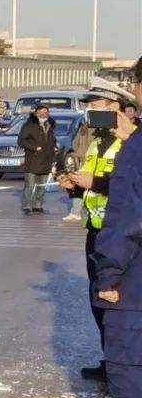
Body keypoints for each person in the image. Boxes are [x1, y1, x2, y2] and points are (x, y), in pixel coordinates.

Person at [57, 81, 136, 381]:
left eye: (96, 105)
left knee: (118, 303)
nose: (90, 110)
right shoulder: (97, 140)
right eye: (89, 105)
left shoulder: (131, 142)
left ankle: (122, 367)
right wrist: (74, 188)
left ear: (115, 107)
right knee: (98, 302)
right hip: (97, 231)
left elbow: (131, 186)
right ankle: (110, 361)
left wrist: (96, 183)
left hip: (122, 234)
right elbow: (93, 187)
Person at [89, 106, 142, 398]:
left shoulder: (136, 151)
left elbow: (126, 219)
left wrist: (108, 274)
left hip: (135, 282)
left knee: (126, 368)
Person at [18, 104, 57, 215]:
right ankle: (27, 206)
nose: (43, 115)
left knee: (42, 185)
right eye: (41, 113)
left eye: (46, 113)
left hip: (46, 160)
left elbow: (52, 139)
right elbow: (21, 141)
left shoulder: (50, 125)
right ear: (36, 114)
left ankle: (37, 206)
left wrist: (55, 147)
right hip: (33, 160)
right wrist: (35, 147)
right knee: (29, 185)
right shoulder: (29, 126)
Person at [63, 120, 92, 223]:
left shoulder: (101, 129)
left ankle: (89, 212)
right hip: (80, 162)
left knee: (91, 189)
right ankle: (75, 212)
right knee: (78, 187)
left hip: (92, 162)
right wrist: (76, 154)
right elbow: (75, 142)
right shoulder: (83, 128)